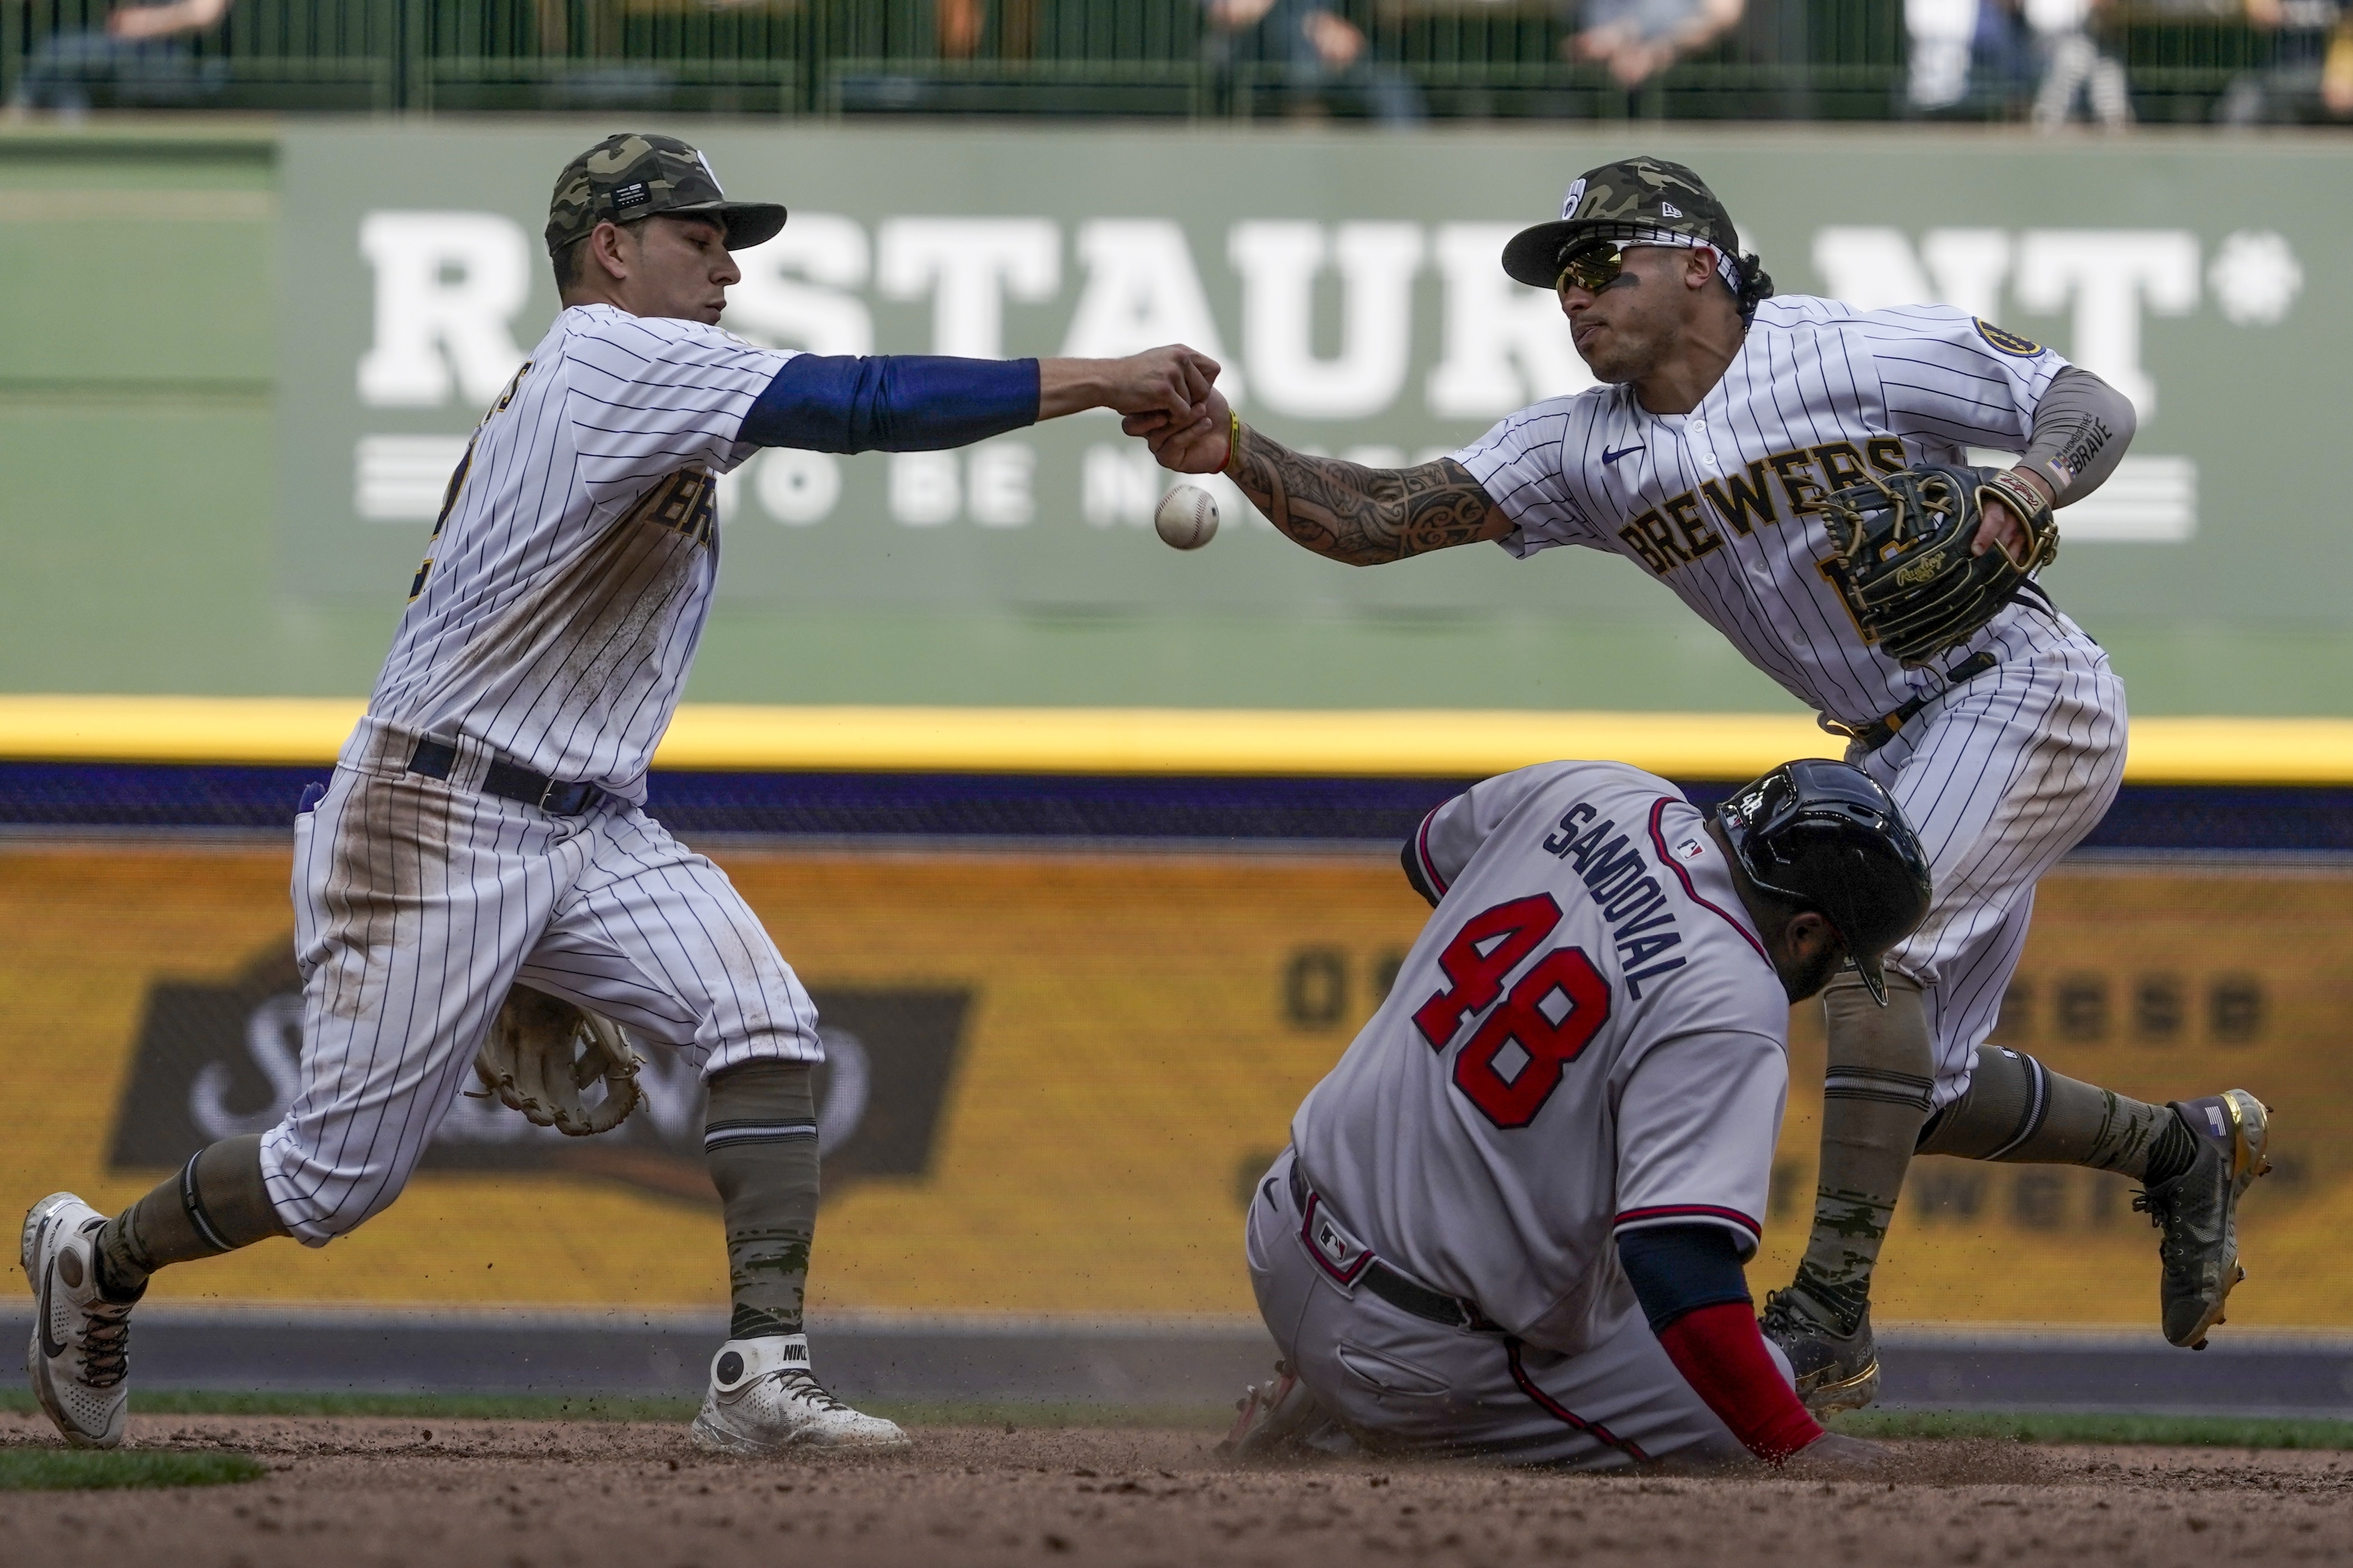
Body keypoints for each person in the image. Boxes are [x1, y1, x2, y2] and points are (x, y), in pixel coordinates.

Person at [22, 132, 1219, 1455]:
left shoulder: (646, 382)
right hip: (437, 814)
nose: (723, 272)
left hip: (585, 820)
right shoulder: (611, 360)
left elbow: (830, 403)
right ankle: (98, 1256)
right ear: (612, 250)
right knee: (331, 1179)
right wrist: (1102, 376)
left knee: (761, 1014)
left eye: (726, 251)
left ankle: (762, 1371)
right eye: (699, 243)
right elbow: (862, 399)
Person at [1133, 155, 2271, 1414]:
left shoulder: (1849, 350)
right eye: (1558, 278)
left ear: (1698, 262)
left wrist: (2021, 491)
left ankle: (1829, 1320)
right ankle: (2183, 1147)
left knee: (1858, 961)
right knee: (1919, 1088)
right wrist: (1232, 447)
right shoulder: (1581, 445)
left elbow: (2090, 404)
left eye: (1597, 264)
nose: (1571, 296)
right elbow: (1378, 514)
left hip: (2020, 685)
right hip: (1888, 741)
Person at [1229, 757, 1925, 1470]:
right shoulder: (1734, 997)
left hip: (1282, 1228)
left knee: (1578, 1208)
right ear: (1807, 932)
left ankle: (1318, 1379)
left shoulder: (1601, 786)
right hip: (1410, 1357)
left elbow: (1428, 857)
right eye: (1840, 954)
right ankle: (1344, 1419)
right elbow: (1676, 1262)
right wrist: (1795, 1444)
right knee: (1750, 1410)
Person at [1201, 0, 1425, 124]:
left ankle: (1408, 173)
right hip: (1260, 55)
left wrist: (1344, 30)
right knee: (1288, 28)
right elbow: (1226, 13)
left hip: (1333, 58)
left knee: (1395, 87)